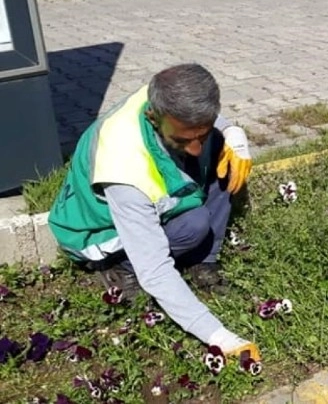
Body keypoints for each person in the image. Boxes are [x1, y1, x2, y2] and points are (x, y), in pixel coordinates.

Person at [47, 63, 260, 362]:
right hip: (96, 233)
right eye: (184, 141)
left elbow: (202, 123)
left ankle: (203, 262)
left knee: (226, 158)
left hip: (142, 199)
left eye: (202, 133)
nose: (196, 148)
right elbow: (156, 270)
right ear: (153, 118)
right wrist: (220, 337)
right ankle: (121, 269)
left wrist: (231, 133)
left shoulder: (163, 100)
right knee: (194, 224)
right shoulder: (124, 167)